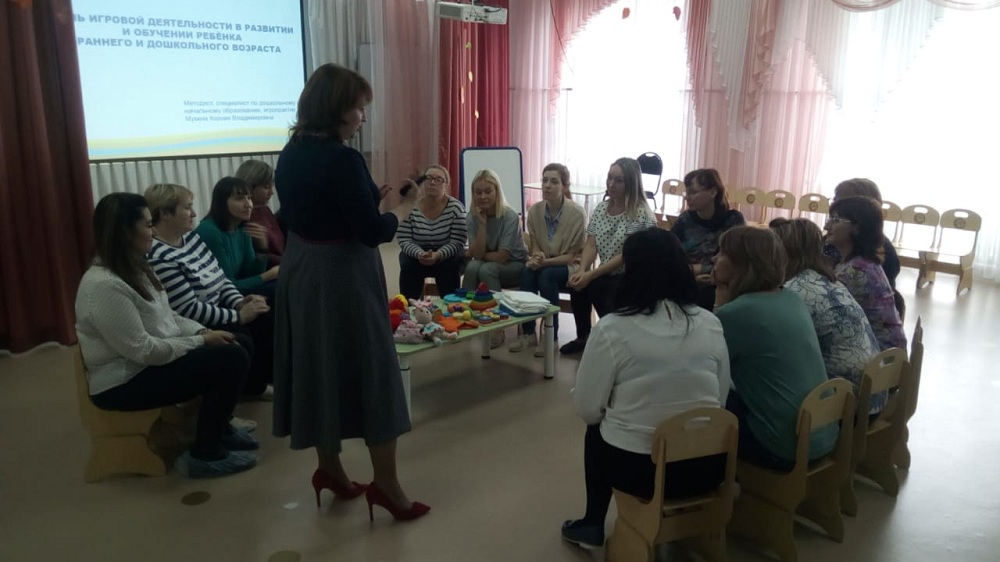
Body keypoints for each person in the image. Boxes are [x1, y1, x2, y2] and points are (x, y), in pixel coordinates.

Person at [272, 63, 428, 520]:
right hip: (342, 276)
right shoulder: (343, 159)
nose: (362, 116)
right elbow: (372, 232)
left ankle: (330, 470)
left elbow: (308, 210)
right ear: (337, 109)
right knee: (374, 370)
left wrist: (367, 200)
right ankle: (388, 487)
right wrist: (403, 206)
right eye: (358, 108)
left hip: (302, 270)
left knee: (319, 367)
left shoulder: (292, 151)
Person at [561, 227, 731, 550]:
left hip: (641, 472)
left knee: (596, 429)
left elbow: (587, 408)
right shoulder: (710, 322)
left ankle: (592, 522)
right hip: (707, 466)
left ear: (630, 273)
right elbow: (719, 400)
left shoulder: (613, 328)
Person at [75, 192, 257, 478]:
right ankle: (205, 454)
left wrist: (203, 330)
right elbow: (143, 350)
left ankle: (219, 429)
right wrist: (200, 340)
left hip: (145, 365)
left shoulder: (136, 265)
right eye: (148, 225)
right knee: (229, 358)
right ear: (125, 231)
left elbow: (168, 316)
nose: (155, 232)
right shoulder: (105, 286)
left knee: (238, 341)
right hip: (123, 383)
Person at [712, 226, 837, 470]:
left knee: (699, 403)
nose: (715, 258)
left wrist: (719, 305)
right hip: (822, 435)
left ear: (743, 264)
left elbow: (706, 364)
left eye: (723, 253)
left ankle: (710, 482)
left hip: (782, 446)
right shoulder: (790, 298)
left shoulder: (738, 312)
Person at [145, 183, 274, 399]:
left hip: (216, 306)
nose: (194, 213)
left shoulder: (190, 238)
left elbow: (220, 278)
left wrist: (239, 302)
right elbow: (188, 309)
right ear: (165, 213)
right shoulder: (160, 256)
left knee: (264, 312)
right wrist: (239, 315)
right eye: (188, 207)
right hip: (194, 323)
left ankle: (257, 383)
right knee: (241, 337)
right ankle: (246, 389)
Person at [769, 218, 884, 414]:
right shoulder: (830, 281)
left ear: (781, 253)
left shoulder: (793, 292)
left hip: (846, 405)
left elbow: (779, 353)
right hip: (874, 393)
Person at [559, 157, 656, 355]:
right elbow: (591, 243)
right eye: (609, 178)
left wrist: (591, 275)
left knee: (598, 287)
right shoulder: (602, 208)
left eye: (618, 180)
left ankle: (618, 341)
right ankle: (583, 337)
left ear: (631, 183)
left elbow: (626, 255)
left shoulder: (640, 213)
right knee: (578, 284)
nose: (611, 184)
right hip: (607, 273)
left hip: (632, 276)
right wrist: (583, 270)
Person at [509, 163, 586, 356]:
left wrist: (545, 263)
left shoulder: (577, 213)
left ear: (564, 186)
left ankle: (551, 336)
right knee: (527, 271)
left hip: (569, 266)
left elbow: (573, 256)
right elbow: (535, 244)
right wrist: (537, 256)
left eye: (554, 182)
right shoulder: (535, 211)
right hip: (545, 263)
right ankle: (528, 333)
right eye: (544, 181)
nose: (547, 186)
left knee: (546, 274)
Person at [826, 196, 907, 351]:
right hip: (882, 350)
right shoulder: (859, 262)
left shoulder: (856, 271)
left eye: (835, 220)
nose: (826, 225)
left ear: (857, 227)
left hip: (878, 354)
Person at [463, 168, 529, 348]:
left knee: (485, 268)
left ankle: (496, 326)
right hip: (489, 264)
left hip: (515, 266)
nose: (483, 196)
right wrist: (482, 225)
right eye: (478, 192)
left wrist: (479, 254)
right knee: (472, 267)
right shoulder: (472, 217)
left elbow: (502, 256)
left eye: (488, 191)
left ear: (497, 192)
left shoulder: (510, 216)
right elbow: (476, 256)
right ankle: (465, 317)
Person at [671, 168, 746, 310]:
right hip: (686, 282)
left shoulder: (733, 220)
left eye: (693, 192)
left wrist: (700, 269)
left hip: (720, 286)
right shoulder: (684, 220)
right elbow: (670, 258)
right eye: (687, 193)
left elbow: (737, 263)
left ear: (712, 192)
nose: (687, 198)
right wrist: (692, 274)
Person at [195, 176, 280, 300]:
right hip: (216, 297)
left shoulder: (241, 227)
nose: (248, 205)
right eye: (240, 199)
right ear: (222, 203)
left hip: (235, 290)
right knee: (277, 289)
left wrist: (262, 248)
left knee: (284, 284)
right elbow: (225, 286)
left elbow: (251, 274)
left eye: (249, 198)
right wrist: (268, 275)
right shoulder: (209, 231)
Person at [396, 164, 468, 300]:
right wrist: (420, 254)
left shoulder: (455, 208)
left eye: (438, 179)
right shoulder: (410, 206)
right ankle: (409, 307)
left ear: (446, 186)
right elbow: (404, 239)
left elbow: (458, 241)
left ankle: (451, 306)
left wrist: (438, 255)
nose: (433, 182)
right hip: (417, 255)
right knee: (407, 261)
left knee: (451, 264)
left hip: (446, 255)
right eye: (428, 178)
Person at [235, 159, 285, 267]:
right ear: (249, 187)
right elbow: (257, 257)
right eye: (266, 187)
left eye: (271, 187)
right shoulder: (243, 217)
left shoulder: (264, 210)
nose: (271, 193)